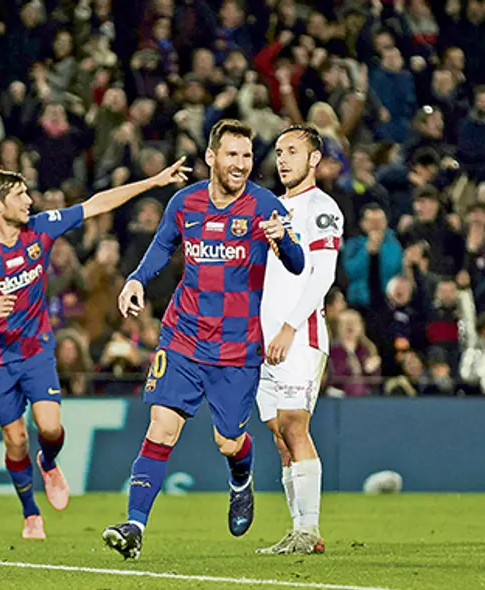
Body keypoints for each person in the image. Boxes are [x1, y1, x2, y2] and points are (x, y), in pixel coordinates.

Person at [0, 159, 189, 540]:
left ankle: (49, 460)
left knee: (50, 428)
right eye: (20, 195)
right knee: (15, 439)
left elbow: (97, 203)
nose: (29, 200)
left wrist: (153, 181)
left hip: (36, 348)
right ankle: (30, 514)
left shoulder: (41, 228)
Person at [101, 119, 305, 560]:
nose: (241, 164)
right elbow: (162, 246)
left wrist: (283, 240)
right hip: (183, 337)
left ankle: (240, 478)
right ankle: (134, 526)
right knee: (161, 427)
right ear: (211, 157)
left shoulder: (265, 205)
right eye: (232, 154)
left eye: (247, 156)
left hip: (236, 348)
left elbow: (297, 263)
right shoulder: (185, 202)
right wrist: (136, 279)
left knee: (228, 441)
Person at [256, 125, 344, 555]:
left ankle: (309, 530)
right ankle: (297, 528)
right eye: (278, 151)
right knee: (279, 434)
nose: (283, 159)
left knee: (294, 424)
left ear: (313, 159)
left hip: (299, 335)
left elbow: (322, 275)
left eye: (293, 151)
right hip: (263, 339)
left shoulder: (321, 207)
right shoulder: (271, 208)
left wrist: (290, 327)